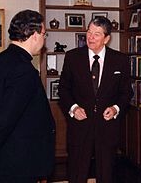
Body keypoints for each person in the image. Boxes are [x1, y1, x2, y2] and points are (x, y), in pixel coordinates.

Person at [0, 10, 56, 183]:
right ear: (34, 35)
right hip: (19, 161)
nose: (44, 38)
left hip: (3, 158)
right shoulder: (24, 70)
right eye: (43, 33)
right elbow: (7, 117)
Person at [58, 17, 132, 183]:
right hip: (80, 125)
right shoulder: (72, 57)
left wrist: (115, 108)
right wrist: (73, 108)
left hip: (107, 127)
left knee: (106, 173)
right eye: (89, 32)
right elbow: (63, 89)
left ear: (106, 38)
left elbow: (126, 92)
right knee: (77, 171)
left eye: (96, 34)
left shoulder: (120, 60)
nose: (90, 37)